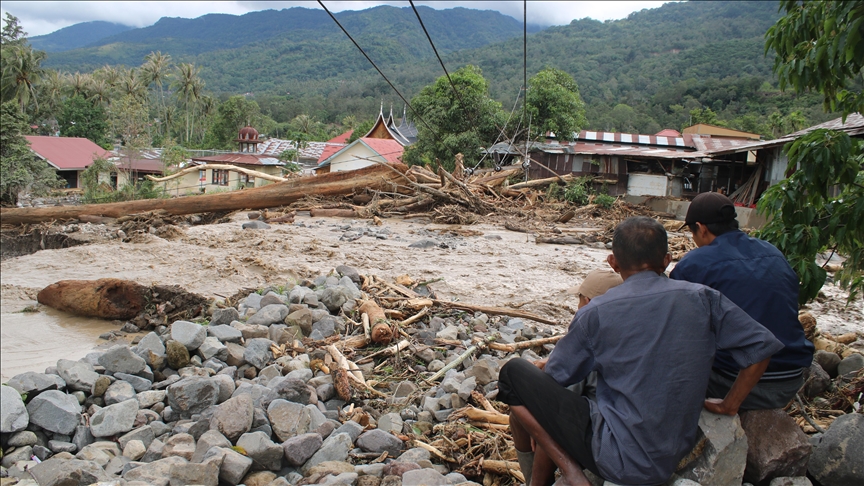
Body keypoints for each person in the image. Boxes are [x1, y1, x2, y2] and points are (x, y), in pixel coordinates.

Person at [498, 217, 783, 486]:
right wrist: (730, 404)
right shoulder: (703, 297)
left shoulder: (597, 312)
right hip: (673, 450)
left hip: (616, 457)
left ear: (613, 263)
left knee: (512, 374)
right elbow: (761, 348)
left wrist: (541, 370)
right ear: (667, 261)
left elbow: (556, 379)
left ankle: (571, 472)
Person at [670, 192, 814, 410]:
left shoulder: (695, 263)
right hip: (790, 378)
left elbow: (672, 323)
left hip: (735, 381)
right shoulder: (772, 252)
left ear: (701, 228)